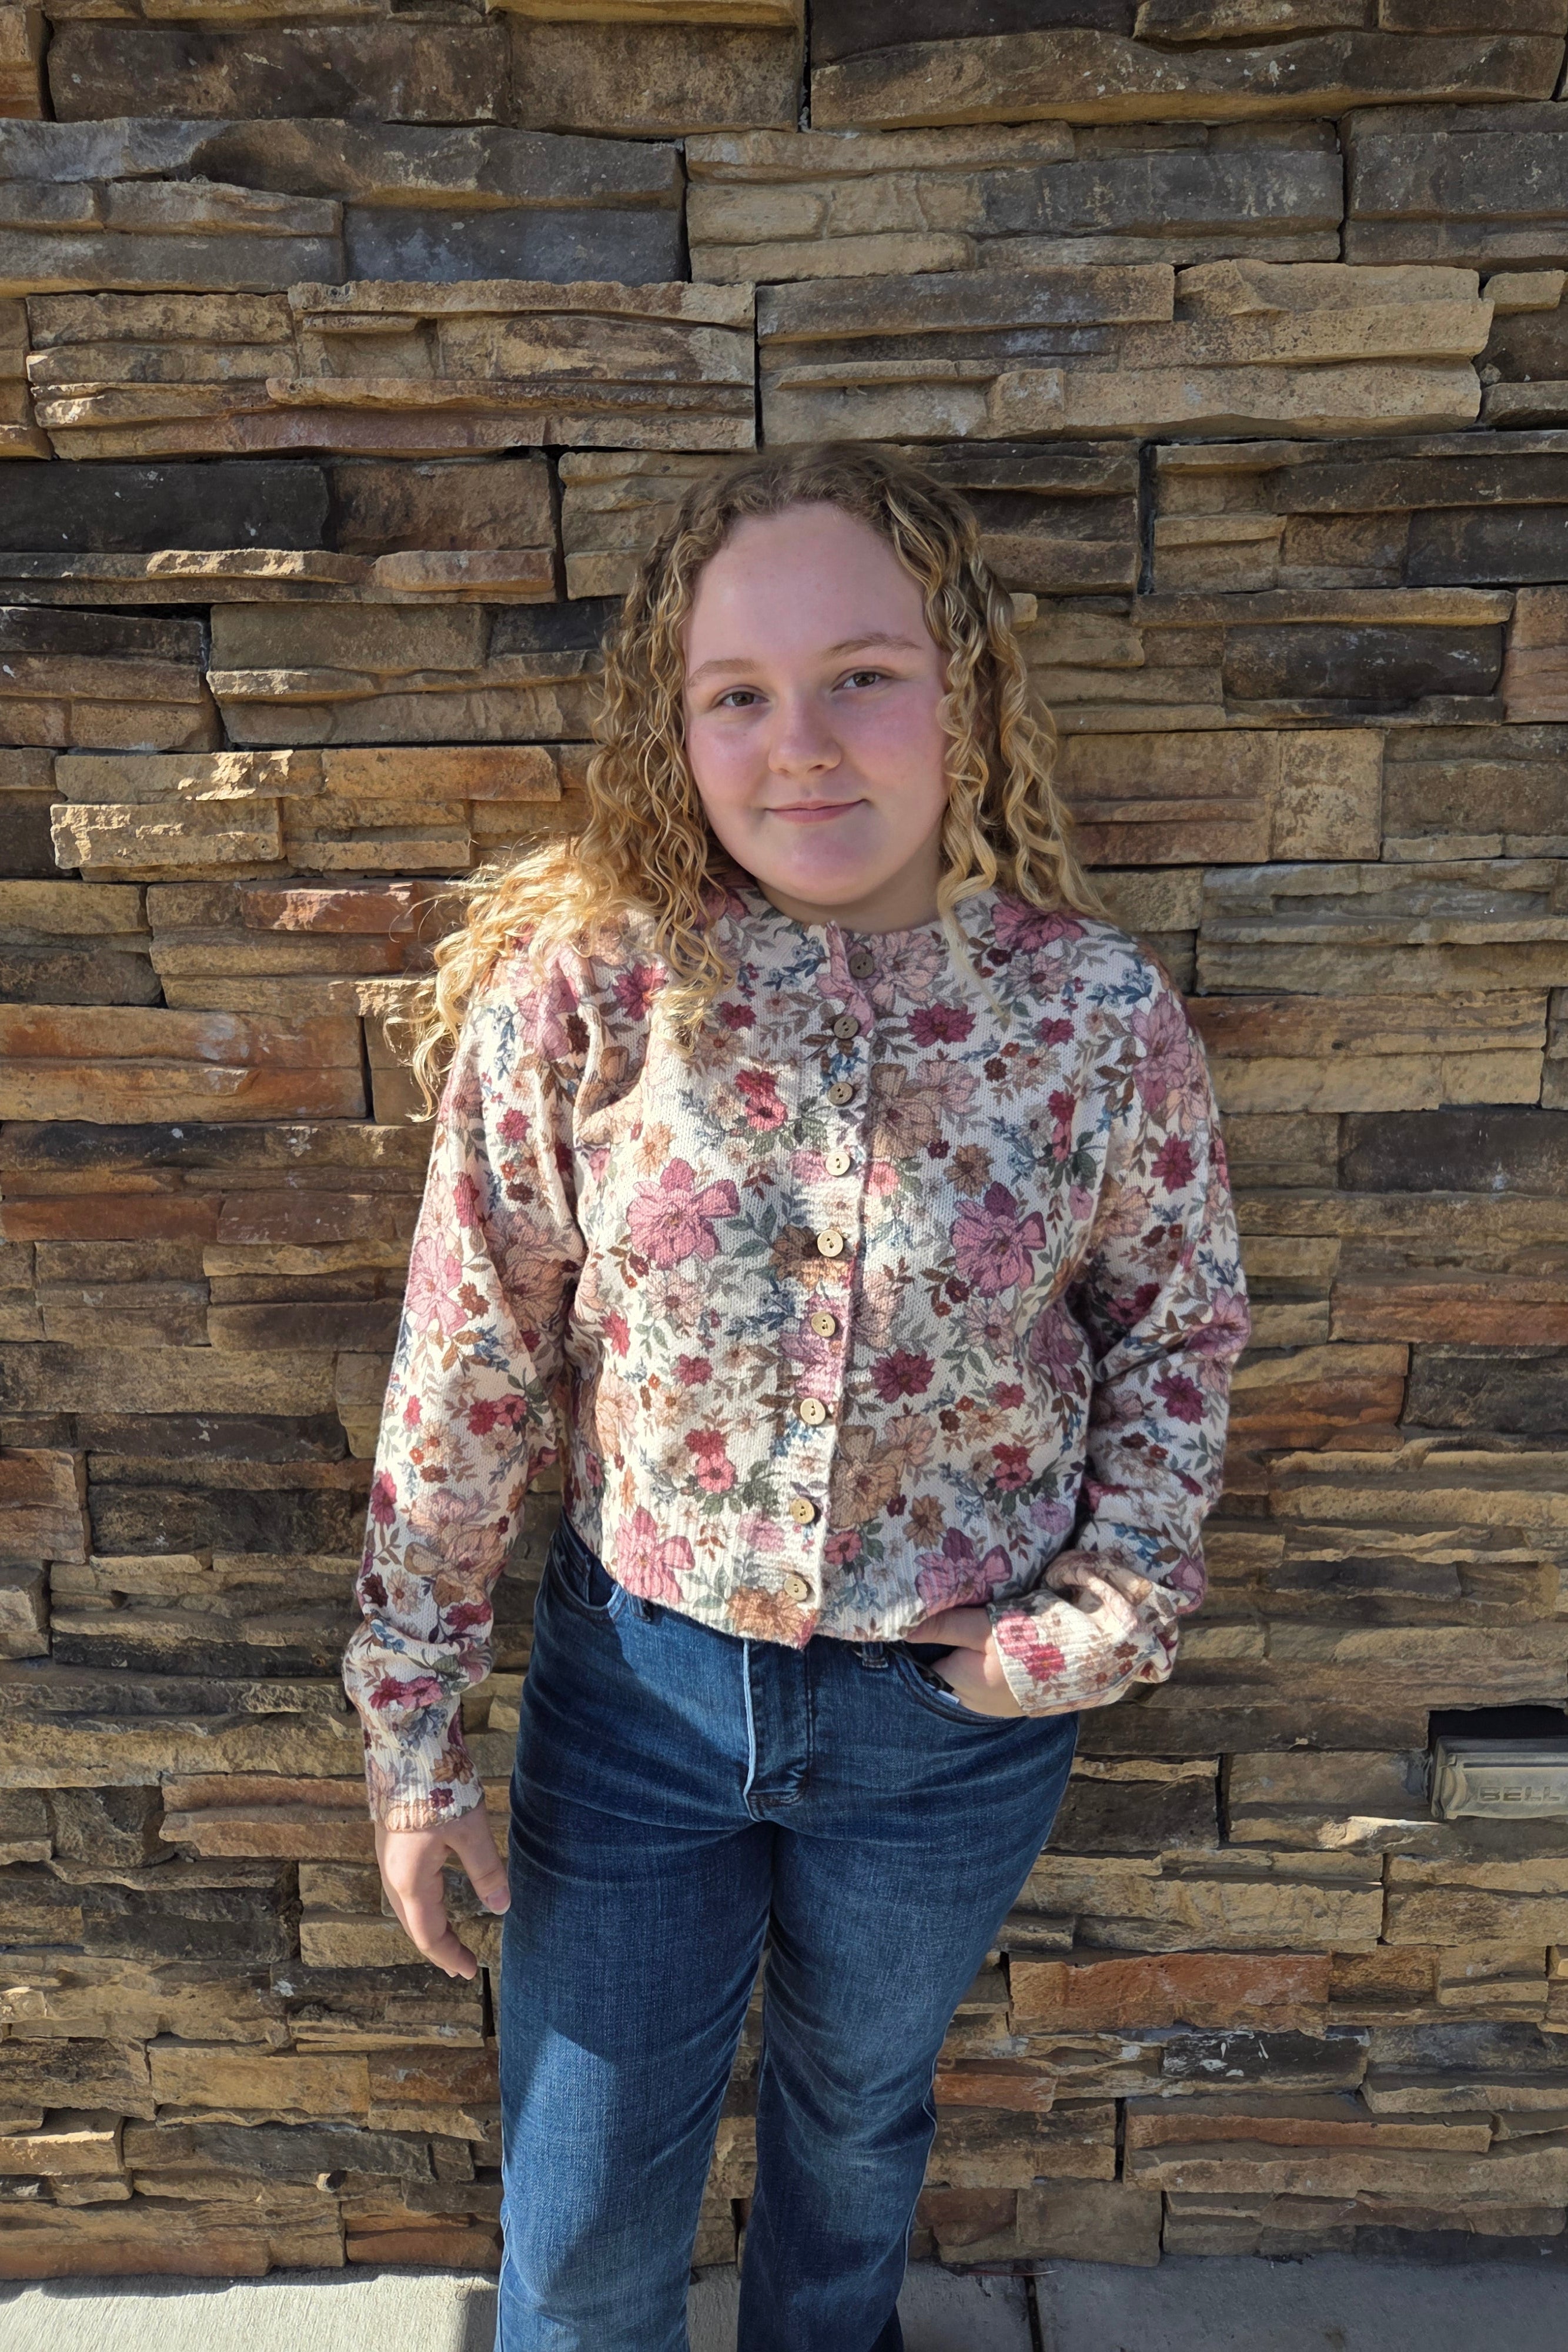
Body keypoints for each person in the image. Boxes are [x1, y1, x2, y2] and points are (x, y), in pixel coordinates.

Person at [342, 442, 1249, 2351]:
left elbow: (1173, 1333)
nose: (801, 747)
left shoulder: (1091, 1014)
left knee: (853, 2137)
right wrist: (415, 1735)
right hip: (638, 1706)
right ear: (675, 733)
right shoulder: (588, 1000)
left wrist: (1093, 1623)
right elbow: (467, 1363)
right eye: (736, 696)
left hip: (949, 1729)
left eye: (861, 676)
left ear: (962, 695)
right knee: (580, 2215)